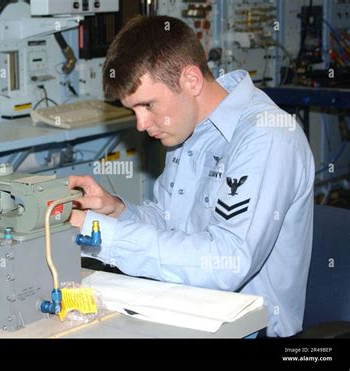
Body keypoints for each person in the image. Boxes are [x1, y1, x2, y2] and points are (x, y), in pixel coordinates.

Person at [68, 15, 314, 337]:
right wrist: (116, 212)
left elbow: (227, 261)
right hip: (187, 314)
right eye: (134, 111)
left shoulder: (267, 136)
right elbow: (170, 223)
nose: (141, 125)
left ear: (192, 81)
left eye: (148, 105)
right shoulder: (187, 129)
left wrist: (104, 236)